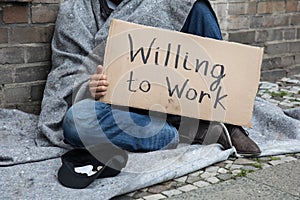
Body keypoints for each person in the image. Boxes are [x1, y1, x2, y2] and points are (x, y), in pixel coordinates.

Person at [47, 0, 261, 156]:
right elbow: (68, 77)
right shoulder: (75, 12)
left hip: (174, 95)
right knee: (77, 122)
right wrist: (89, 88)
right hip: (122, 112)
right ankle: (185, 133)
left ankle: (227, 123)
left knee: (198, 8)